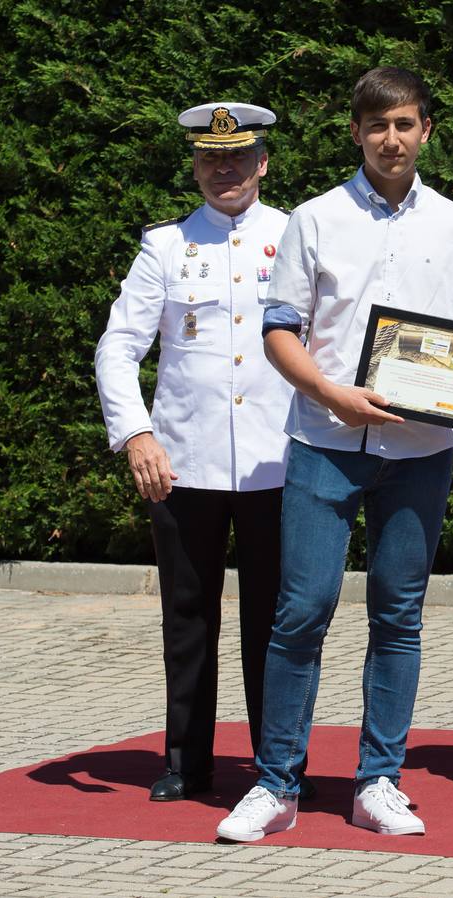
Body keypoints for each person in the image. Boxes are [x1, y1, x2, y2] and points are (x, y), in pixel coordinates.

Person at [215, 67, 453, 842]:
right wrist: (333, 395)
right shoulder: (313, 219)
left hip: (420, 449)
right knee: (300, 613)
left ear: (426, 131)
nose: (391, 139)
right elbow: (278, 330)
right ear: (355, 132)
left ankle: (378, 780)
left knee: (398, 616)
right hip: (324, 442)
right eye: (376, 125)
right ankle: (276, 783)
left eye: (405, 124)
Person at [94, 102, 292, 802]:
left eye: (237, 156)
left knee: (277, 619)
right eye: (211, 158)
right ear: (195, 166)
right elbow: (117, 348)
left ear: (262, 162)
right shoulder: (165, 247)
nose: (224, 169)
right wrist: (136, 434)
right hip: (184, 461)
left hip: (279, 462)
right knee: (187, 613)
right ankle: (186, 760)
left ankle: (278, 763)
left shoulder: (297, 237)